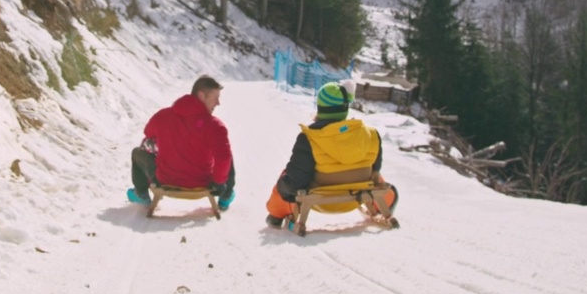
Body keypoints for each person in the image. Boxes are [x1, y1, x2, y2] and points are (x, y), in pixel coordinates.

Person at [265, 80, 396, 227]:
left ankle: (276, 215)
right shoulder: (371, 134)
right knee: (383, 182)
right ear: (345, 108)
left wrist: (284, 185)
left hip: (321, 200)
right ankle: (383, 207)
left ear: (320, 108)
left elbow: (297, 179)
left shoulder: (309, 138)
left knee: (287, 178)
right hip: (357, 197)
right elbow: (375, 168)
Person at [128, 75, 236, 211]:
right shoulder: (215, 125)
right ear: (201, 95)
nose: (218, 103)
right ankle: (225, 198)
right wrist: (219, 182)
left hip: (165, 180)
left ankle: (141, 194)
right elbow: (223, 158)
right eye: (215, 98)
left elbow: (148, 132)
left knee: (138, 153)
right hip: (201, 182)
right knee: (226, 154)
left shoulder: (163, 116)